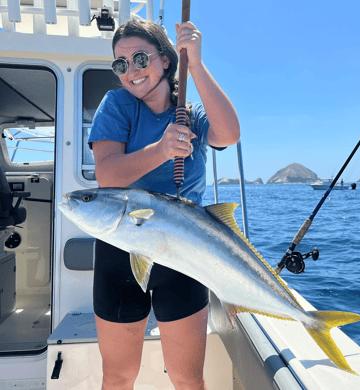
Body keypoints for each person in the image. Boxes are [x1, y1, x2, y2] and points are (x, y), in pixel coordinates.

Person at [88, 18, 240, 390]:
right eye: (120, 65)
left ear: (167, 61)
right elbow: (107, 175)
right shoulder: (117, 104)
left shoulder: (191, 112)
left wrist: (197, 63)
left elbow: (229, 134)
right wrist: (161, 150)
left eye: (140, 59)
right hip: (121, 248)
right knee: (119, 376)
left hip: (185, 252)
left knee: (188, 378)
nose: (131, 72)